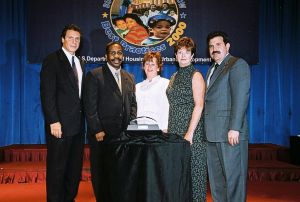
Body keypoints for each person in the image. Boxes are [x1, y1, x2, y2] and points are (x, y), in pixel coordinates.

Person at [83, 41, 137, 201]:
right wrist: (97, 129)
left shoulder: (129, 77)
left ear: (123, 56)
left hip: (123, 136)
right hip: (102, 135)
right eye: (113, 53)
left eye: (119, 53)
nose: (116, 56)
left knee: (120, 173)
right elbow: (89, 106)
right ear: (106, 56)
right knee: (102, 174)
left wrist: (131, 126)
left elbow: (133, 104)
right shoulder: (95, 75)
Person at [40, 24, 85, 202]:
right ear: (62, 39)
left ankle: (69, 198)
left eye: (77, 39)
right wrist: (53, 121)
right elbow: (47, 93)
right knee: (57, 168)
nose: (74, 42)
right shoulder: (52, 60)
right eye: (70, 38)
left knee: (74, 169)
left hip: (78, 126)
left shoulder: (80, 62)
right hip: (59, 126)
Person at [205, 31, 250, 202]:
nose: (214, 49)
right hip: (212, 135)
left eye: (218, 44)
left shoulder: (237, 64)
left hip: (230, 134)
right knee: (217, 184)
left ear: (227, 46)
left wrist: (234, 128)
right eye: (211, 46)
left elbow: (241, 97)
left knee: (234, 183)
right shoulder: (211, 69)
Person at [166, 37, 207, 201]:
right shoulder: (174, 76)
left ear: (192, 56)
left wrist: (189, 133)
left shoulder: (196, 75)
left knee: (194, 177)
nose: (183, 55)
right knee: (178, 177)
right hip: (175, 132)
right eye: (180, 52)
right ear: (175, 55)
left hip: (191, 134)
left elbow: (199, 105)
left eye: (187, 52)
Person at [136, 51, 169, 131]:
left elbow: (169, 108)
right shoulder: (137, 87)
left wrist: (165, 128)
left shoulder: (166, 83)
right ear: (143, 67)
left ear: (158, 68)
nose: (149, 67)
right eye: (147, 64)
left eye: (153, 64)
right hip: (140, 131)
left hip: (160, 130)